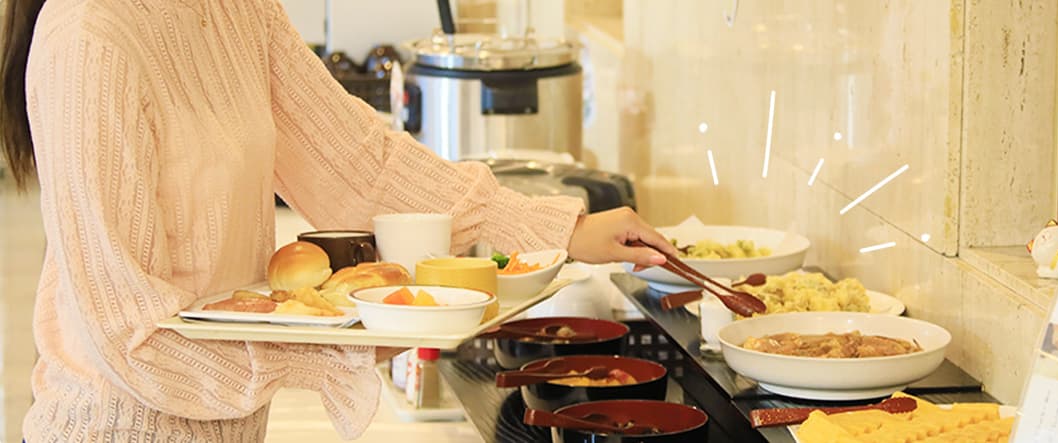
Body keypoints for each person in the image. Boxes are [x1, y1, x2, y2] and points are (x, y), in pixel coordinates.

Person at [0, 0, 675, 440]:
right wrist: (337, 349)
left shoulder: (236, 8)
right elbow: (128, 331)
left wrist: (555, 229)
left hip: (232, 426)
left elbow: (359, 162)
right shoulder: (88, 40)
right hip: (111, 426)